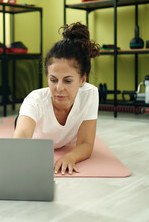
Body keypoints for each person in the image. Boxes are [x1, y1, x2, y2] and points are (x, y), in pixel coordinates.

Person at [13, 22, 100, 175]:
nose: (59, 88)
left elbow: (86, 143)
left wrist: (71, 156)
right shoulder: (35, 100)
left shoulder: (90, 94)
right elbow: (22, 135)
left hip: (63, 140)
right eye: (53, 80)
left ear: (82, 79)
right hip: (35, 129)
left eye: (67, 81)